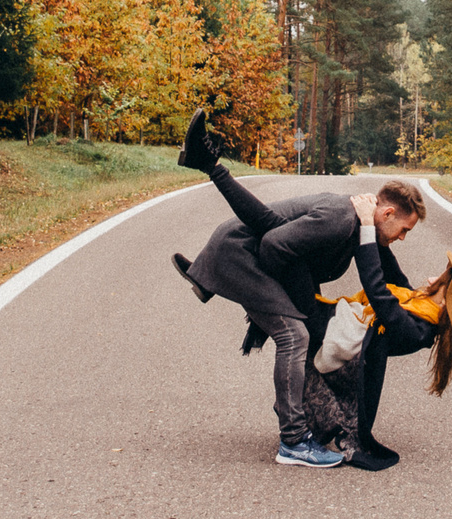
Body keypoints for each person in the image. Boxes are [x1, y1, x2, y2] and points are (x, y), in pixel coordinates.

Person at [169, 110, 424, 467]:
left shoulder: (362, 230)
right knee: (295, 335)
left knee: (302, 325)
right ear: (386, 214)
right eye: (404, 230)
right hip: (242, 255)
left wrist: (425, 304)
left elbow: (393, 281)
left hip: (242, 250)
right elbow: (273, 244)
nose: (402, 238)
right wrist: (300, 306)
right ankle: (293, 442)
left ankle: (206, 274)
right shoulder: (341, 218)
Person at [313, 190, 452, 471]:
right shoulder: (416, 301)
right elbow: (385, 262)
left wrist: (367, 227)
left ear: (446, 291)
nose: (431, 276)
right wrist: (374, 218)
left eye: (440, 277)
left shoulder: (419, 328)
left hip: (337, 344)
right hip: (340, 332)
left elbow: (377, 290)